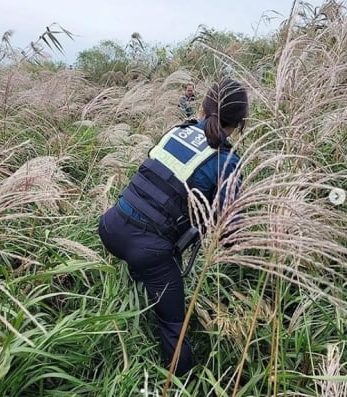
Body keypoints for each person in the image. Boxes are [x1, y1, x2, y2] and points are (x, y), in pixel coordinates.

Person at [98, 78, 248, 376]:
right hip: (148, 251)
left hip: (111, 225)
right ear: (241, 122)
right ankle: (182, 380)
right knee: (173, 325)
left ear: (204, 107)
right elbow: (230, 234)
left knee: (152, 256)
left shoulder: (177, 131)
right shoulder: (227, 161)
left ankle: (140, 292)